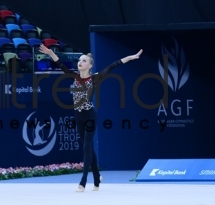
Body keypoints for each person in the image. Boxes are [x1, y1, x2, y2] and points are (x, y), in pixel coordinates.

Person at [38, 45, 142, 192]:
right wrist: (50, 53)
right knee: (88, 148)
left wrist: (131, 58)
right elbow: (60, 64)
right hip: (78, 115)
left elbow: (113, 65)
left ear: (90, 65)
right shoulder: (74, 76)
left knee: (87, 146)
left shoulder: (95, 78)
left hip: (90, 116)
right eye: (79, 60)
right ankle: (97, 179)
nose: (80, 62)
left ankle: (83, 182)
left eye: (84, 60)